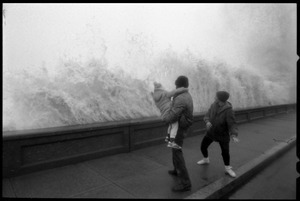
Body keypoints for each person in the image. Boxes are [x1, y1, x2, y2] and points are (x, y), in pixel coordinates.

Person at [197, 91, 239, 178]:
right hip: (211, 131)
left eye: (216, 96)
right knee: (203, 146)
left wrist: (234, 135)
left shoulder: (228, 110)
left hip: (222, 134)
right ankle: (206, 159)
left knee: (225, 152)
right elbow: (207, 115)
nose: (214, 97)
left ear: (220, 98)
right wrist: (207, 121)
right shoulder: (214, 105)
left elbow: (232, 123)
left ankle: (228, 168)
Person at [163, 75, 194, 192]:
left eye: (175, 84)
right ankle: (177, 170)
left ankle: (186, 183)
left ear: (178, 85)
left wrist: (165, 119)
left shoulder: (181, 97)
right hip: (181, 125)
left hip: (179, 127)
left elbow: (174, 115)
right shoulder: (185, 95)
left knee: (177, 151)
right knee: (174, 148)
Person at [151, 81, 188, 149]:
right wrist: (183, 89)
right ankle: (171, 142)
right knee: (175, 125)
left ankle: (168, 137)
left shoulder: (154, 96)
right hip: (170, 112)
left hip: (164, 114)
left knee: (171, 124)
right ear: (161, 87)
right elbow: (174, 92)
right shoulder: (164, 93)